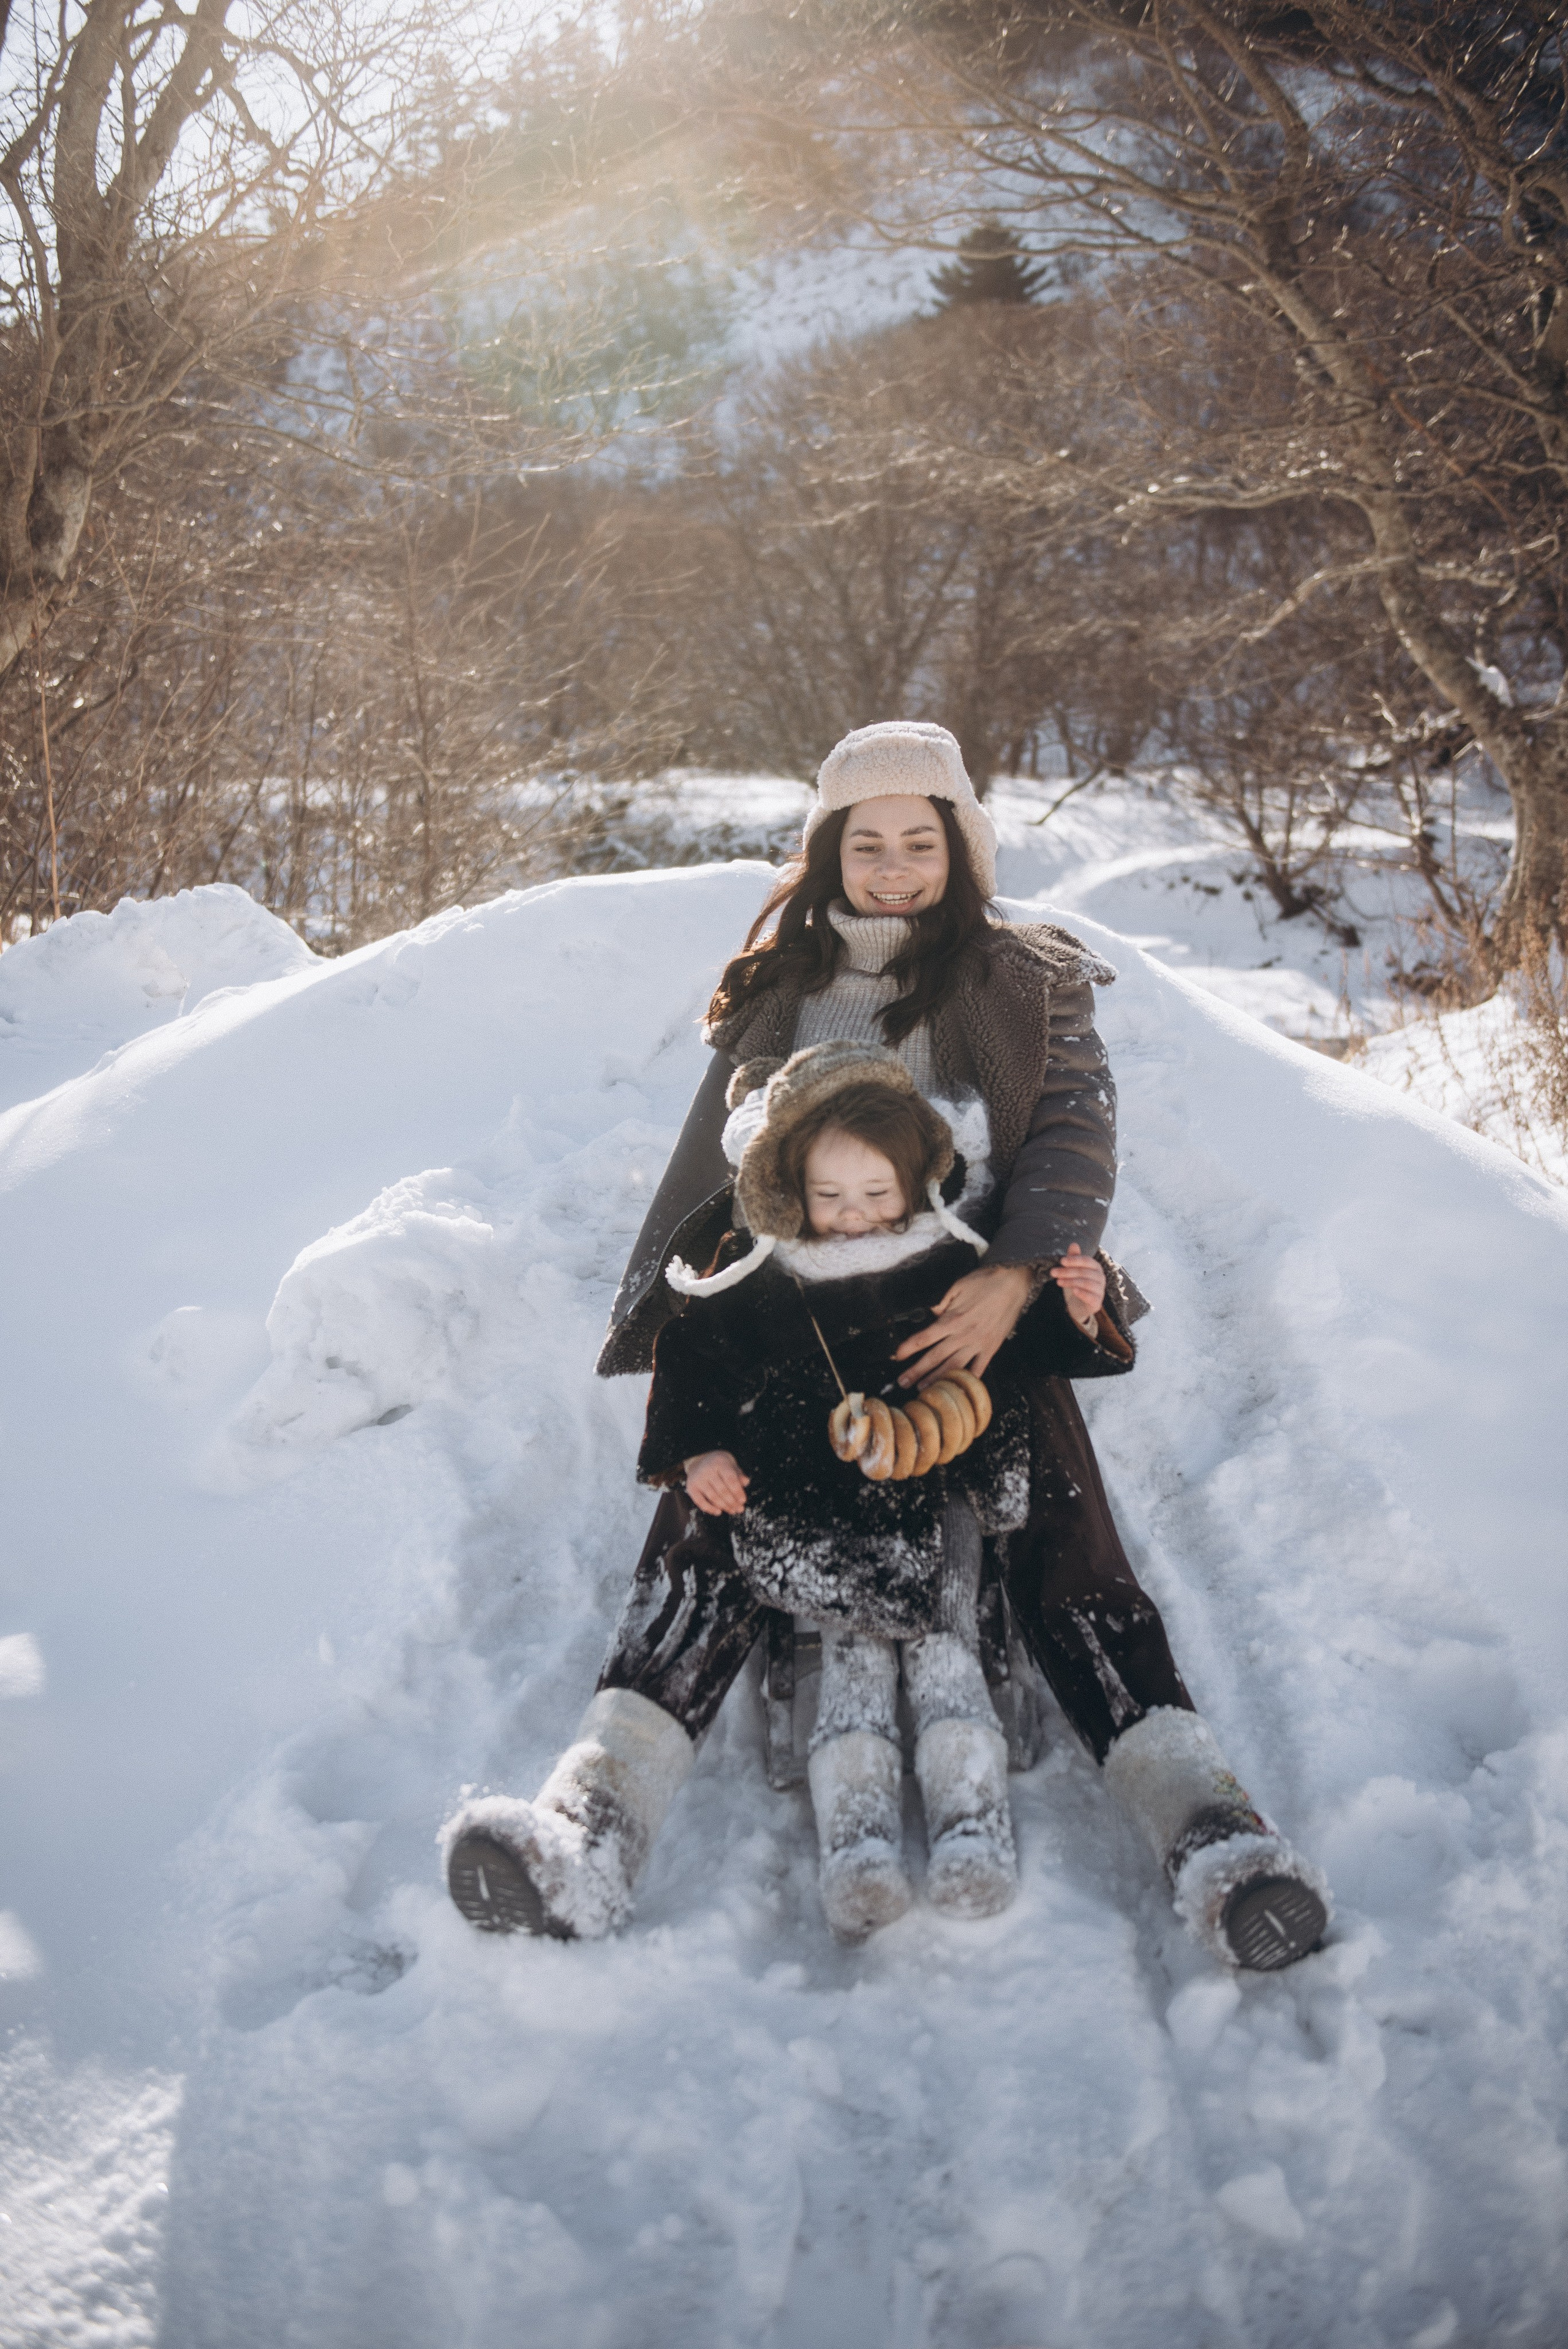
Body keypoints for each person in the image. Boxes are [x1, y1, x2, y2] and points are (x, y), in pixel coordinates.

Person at [443, 721, 1330, 1969]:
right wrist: (701, 1353)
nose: (896, 864)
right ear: (827, 852)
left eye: (923, 839)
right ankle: (589, 1825)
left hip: (969, 1295)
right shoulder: (780, 982)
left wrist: (1015, 1280)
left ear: (960, 848)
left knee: (1062, 1533)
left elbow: (1071, 1133)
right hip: (802, 1297)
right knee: (707, 1521)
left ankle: (1210, 1831)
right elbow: (725, 1169)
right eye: (869, 842)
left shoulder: (1023, 975)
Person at [636, 1040, 1135, 1940]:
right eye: (829, 1199)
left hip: (941, 1505)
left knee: (950, 1662)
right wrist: (697, 1449)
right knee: (853, 1673)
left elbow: (1033, 1351)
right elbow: (693, 1361)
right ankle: (858, 1841)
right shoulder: (763, 1277)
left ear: (917, 1182)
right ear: (791, 1191)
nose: (855, 1217)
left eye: (876, 1196)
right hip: (819, 1512)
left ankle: (972, 1824)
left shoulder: (953, 1263)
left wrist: (1081, 1304)